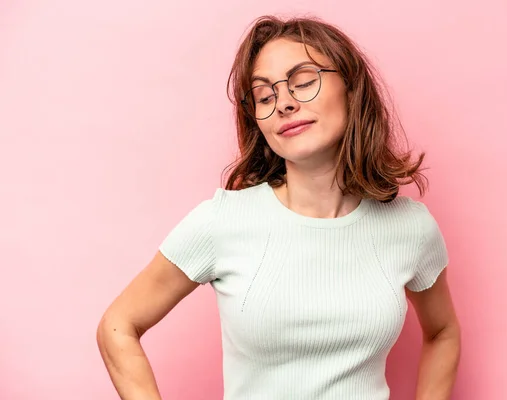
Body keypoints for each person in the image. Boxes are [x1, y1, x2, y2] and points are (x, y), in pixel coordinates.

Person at [96, 15, 461, 400]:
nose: (284, 103)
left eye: (303, 82)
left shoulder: (410, 228)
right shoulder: (223, 221)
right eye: (265, 97)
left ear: (352, 89)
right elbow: (118, 325)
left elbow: (443, 333)